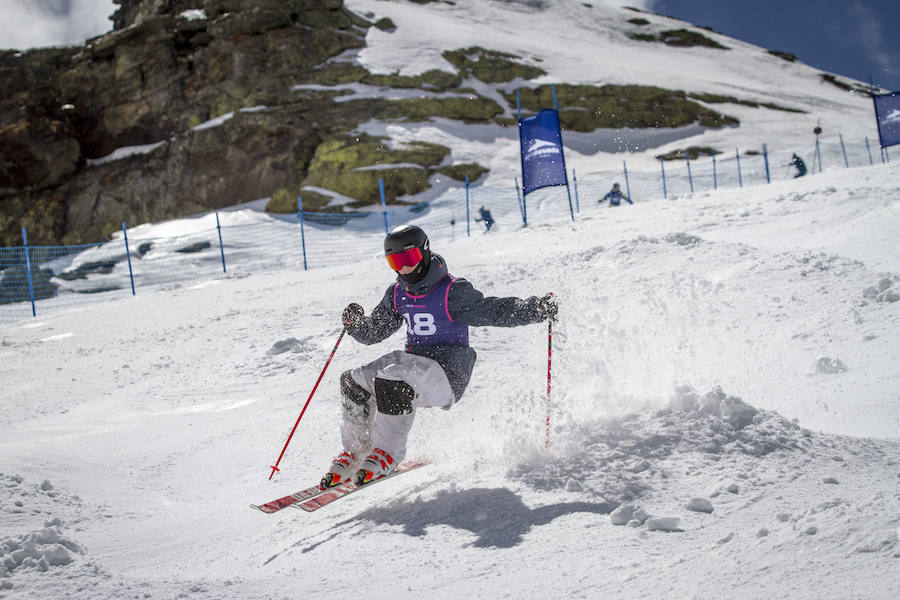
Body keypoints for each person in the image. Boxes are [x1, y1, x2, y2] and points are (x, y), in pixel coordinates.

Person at [322, 224, 558, 487]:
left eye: (408, 259)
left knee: (392, 381)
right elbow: (375, 331)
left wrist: (534, 309)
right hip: (413, 366)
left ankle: (387, 453)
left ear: (424, 252)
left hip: (448, 373)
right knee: (353, 381)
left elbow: (493, 310)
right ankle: (357, 450)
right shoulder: (398, 292)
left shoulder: (452, 291)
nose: (403, 268)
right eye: (395, 261)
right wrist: (356, 325)